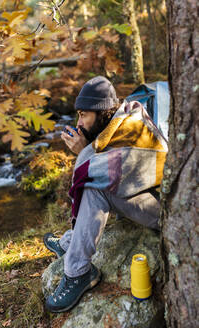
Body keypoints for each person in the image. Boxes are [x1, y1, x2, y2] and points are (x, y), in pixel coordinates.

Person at [43, 76, 167, 313]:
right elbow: (104, 168)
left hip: (164, 210)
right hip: (145, 196)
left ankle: (78, 272)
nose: (79, 123)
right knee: (93, 182)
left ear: (102, 113)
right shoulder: (116, 125)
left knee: (94, 186)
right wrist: (89, 147)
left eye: (83, 115)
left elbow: (97, 174)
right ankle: (70, 243)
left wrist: (84, 151)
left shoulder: (132, 130)